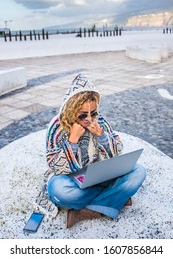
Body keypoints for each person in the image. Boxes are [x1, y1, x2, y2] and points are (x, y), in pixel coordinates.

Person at [36, 73, 146, 228]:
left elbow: (117, 152)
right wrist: (72, 141)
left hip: (99, 174)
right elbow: (55, 166)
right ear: (71, 111)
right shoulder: (56, 127)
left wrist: (101, 135)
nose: (89, 119)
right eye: (82, 115)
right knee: (57, 190)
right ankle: (113, 198)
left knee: (139, 172)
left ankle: (86, 211)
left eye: (93, 113)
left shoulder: (98, 120)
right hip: (70, 179)